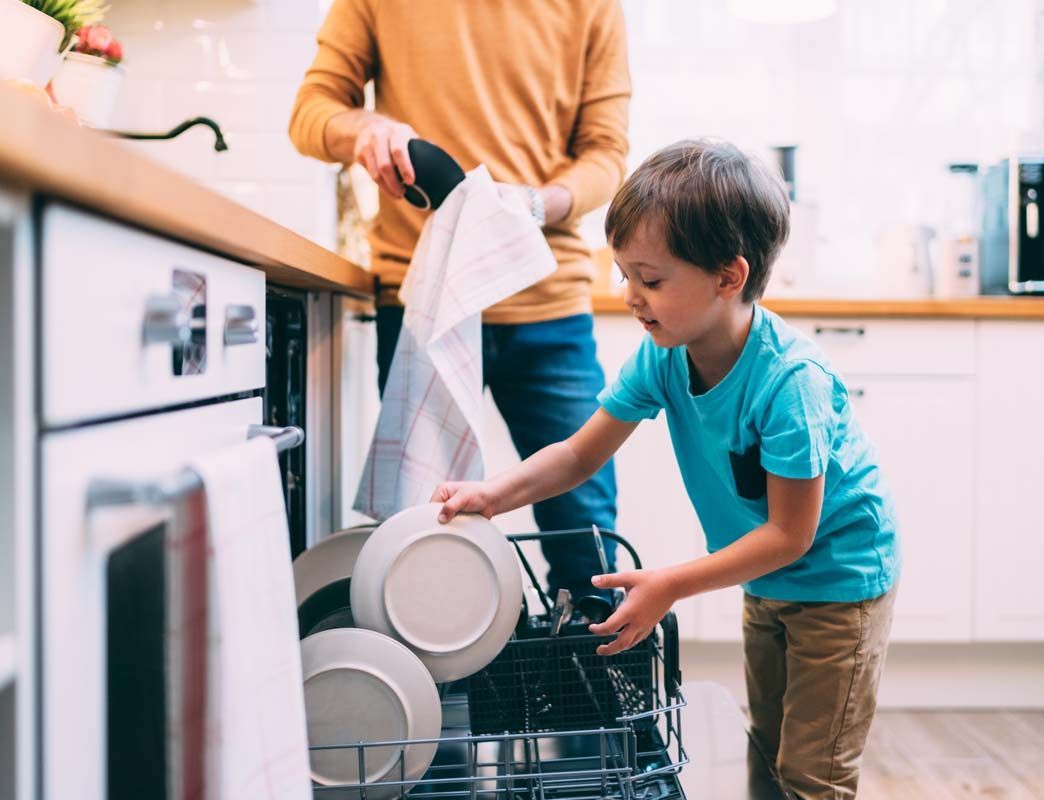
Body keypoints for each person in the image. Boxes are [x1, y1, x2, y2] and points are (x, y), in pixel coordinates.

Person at [432, 139, 900, 799]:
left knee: (811, 774)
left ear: (728, 277)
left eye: (650, 280)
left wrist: (671, 584)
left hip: (839, 583)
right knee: (766, 753)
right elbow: (577, 454)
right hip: (767, 580)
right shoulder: (665, 356)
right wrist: (493, 494)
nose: (630, 296)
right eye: (625, 274)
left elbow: (792, 535)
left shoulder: (790, 384)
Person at [288, 0, 632, 599]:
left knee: (589, 543)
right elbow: (310, 114)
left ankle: (593, 689)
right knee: (424, 533)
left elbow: (606, 154)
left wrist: (535, 204)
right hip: (426, 303)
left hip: (547, 305)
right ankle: (439, 694)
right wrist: (364, 129)